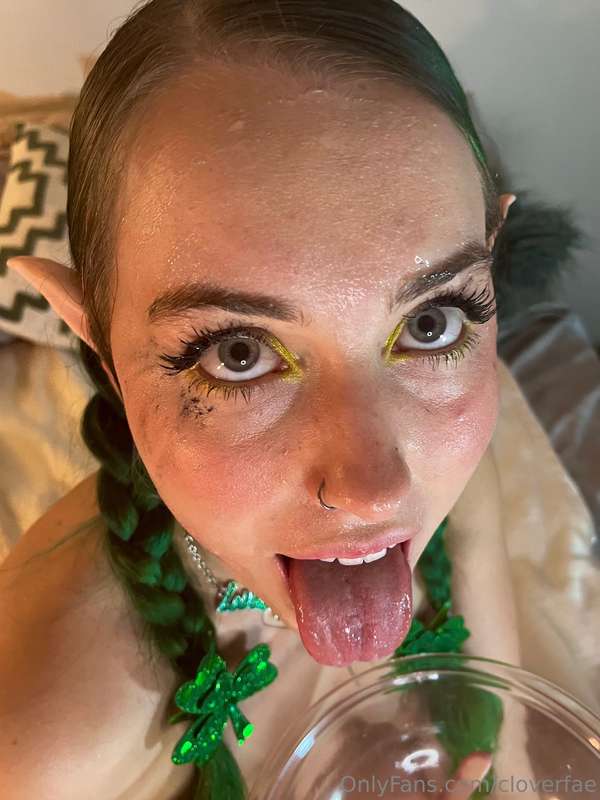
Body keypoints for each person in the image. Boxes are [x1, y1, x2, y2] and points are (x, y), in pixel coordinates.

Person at [0, 1, 530, 797]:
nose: (376, 491)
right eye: (238, 354)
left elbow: (510, 739)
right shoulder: (41, 747)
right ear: (95, 340)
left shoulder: (457, 457)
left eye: (431, 322)